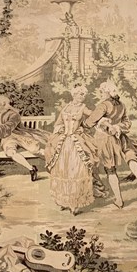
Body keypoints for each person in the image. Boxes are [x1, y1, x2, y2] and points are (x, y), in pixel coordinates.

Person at [84, 80, 137, 209]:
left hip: (105, 139)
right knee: (130, 155)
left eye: (102, 92)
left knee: (110, 169)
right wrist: (118, 127)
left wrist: (84, 123)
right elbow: (127, 123)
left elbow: (90, 122)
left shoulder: (103, 105)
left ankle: (119, 200)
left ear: (106, 92)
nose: (101, 94)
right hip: (121, 136)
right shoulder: (121, 105)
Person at [44, 84, 100, 215]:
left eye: (84, 95)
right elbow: (58, 124)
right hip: (64, 143)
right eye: (80, 94)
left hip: (76, 142)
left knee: (76, 171)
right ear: (74, 94)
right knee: (63, 170)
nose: (82, 97)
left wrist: (83, 127)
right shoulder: (66, 107)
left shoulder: (83, 108)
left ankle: (74, 203)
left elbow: (94, 117)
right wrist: (60, 129)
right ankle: (64, 201)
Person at [0, 95, 46, 182]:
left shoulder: (14, 115)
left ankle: (54, 162)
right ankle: (31, 169)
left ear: (3, 104)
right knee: (10, 153)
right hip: (8, 138)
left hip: (20, 136)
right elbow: (0, 131)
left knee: (35, 150)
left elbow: (8, 128)